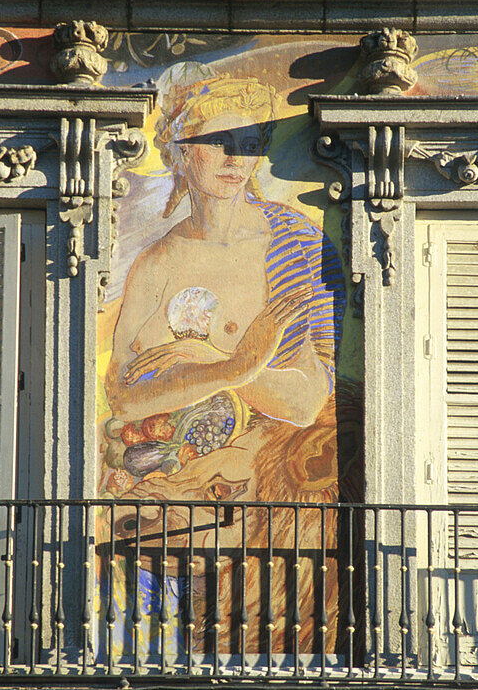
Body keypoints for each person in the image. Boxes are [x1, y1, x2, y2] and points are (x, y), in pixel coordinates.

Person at [101, 70, 344, 496]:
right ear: (179, 153)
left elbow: (307, 402)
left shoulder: (292, 244)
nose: (234, 161)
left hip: (254, 492)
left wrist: (214, 363)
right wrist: (235, 368)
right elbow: (123, 398)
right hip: (153, 493)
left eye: (249, 146)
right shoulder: (156, 262)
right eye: (218, 143)